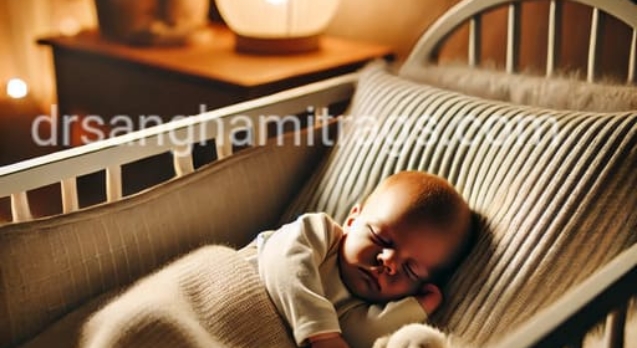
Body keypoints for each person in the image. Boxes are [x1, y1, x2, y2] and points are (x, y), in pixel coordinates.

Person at [243, 171, 473, 348]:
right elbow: (283, 265)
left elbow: (360, 336)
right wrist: (322, 334)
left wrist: (417, 308)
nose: (389, 262)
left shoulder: (359, 309)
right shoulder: (320, 234)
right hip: (234, 287)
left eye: (410, 270)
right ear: (353, 220)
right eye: (381, 239)